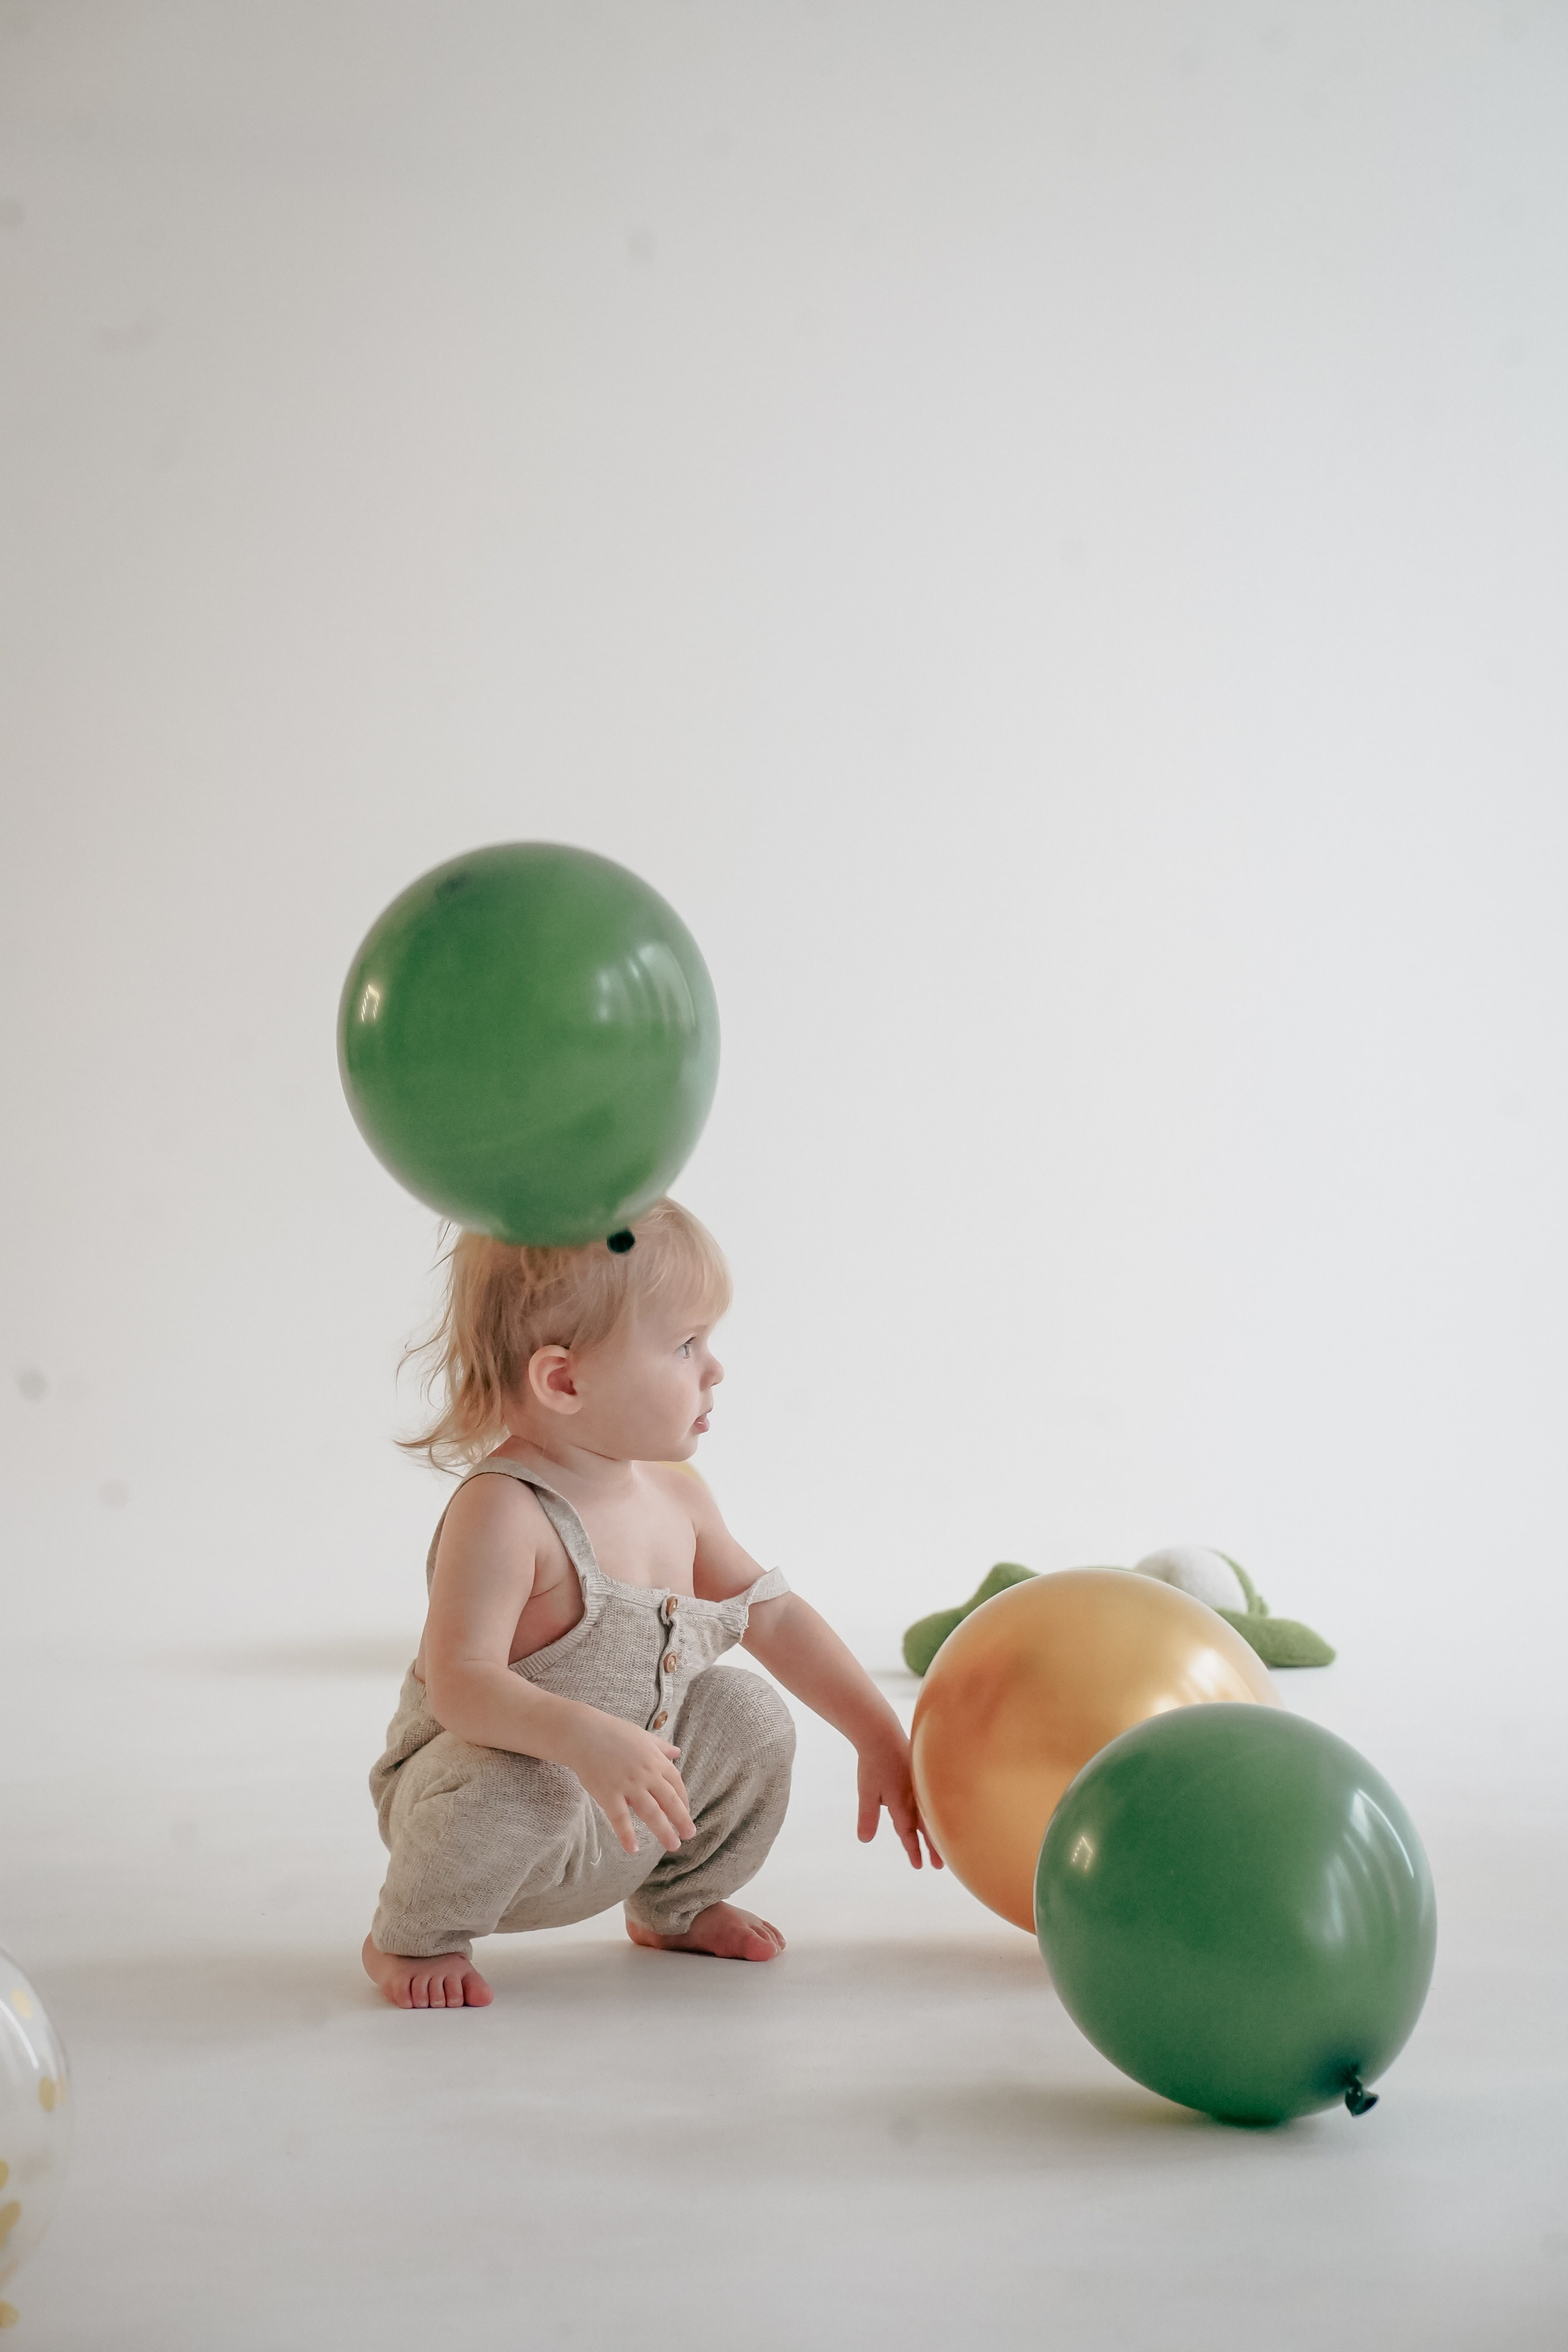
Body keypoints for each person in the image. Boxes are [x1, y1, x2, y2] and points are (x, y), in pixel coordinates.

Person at [363, 1197, 940, 2009]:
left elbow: (772, 1615)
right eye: (684, 1345)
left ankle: (676, 1905)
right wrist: (581, 1737)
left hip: (626, 1824)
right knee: (526, 1782)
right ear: (565, 1379)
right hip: (484, 1817)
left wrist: (877, 1735)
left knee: (747, 1711)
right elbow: (461, 1685)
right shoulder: (505, 1510)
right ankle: (411, 1937)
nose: (715, 1369)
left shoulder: (680, 1501)